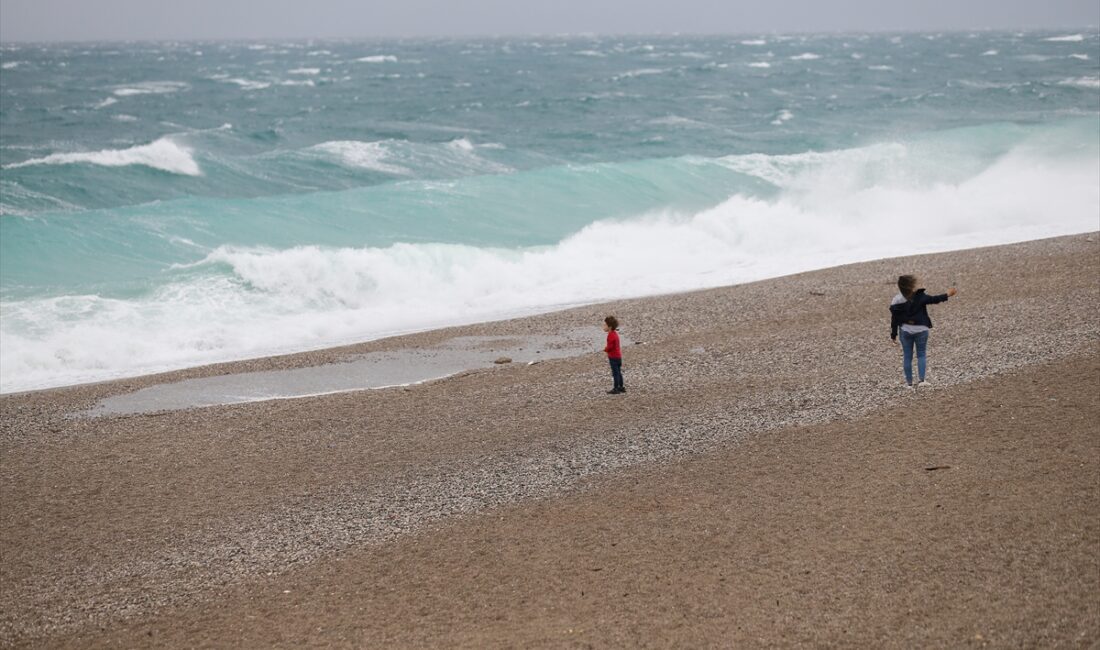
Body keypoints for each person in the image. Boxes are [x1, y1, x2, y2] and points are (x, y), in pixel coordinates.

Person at [890, 275, 957, 388]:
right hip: (921, 329)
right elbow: (934, 299)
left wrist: (893, 334)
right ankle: (921, 380)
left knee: (907, 356)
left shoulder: (896, 299)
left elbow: (894, 318)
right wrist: (947, 294)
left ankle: (909, 384)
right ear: (911, 286)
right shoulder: (920, 296)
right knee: (921, 354)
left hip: (905, 330)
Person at [602, 315, 625, 394]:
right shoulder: (615, 333)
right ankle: (621, 386)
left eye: (605, 325)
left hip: (613, 357)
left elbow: (610, 347)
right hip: (618, 356)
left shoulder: (611, 335)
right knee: (618, 372)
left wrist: (606, 349)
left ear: (610, 327)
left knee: (615, 373)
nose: (603, 326)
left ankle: (616, 388)